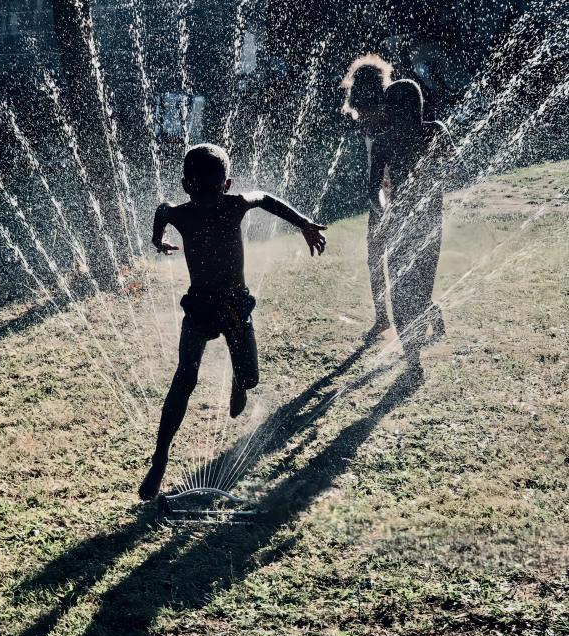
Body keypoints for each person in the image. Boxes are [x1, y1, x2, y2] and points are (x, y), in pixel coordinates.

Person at [139, 143, 327, 500]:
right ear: (185, 186)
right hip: (199, 307)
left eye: (213, 191)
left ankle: (239, 382)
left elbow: (266, 198)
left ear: (226, 186)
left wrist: (303, 224)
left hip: (235, 306)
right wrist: (156, 238)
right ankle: (159, 461)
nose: (208, 200)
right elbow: (161, 211)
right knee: (184, 378)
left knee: (251, 377)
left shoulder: (235, 205)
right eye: (199, 191)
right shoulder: (181, 213)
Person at [368, 79, 467, 379]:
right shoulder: (383, 140)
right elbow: (373, 189)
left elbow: (459, 171)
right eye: (394, 112)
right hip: (398, 225)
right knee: (399, 290)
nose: (399, 117)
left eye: (406, 110)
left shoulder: (434, 130)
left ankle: (431, 314)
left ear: (416, 109)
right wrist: (383, 209)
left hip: (429, 224)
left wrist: (435, 173)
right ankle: (413, 361)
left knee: (421, 291)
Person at [341, 54, 393, 336]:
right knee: (374, 258)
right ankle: (382, 316)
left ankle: (421, 309)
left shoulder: (393, 117)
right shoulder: (368, 117)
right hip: (379, 198)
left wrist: (384, 205)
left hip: (397, 197)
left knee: (396, 259)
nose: (361, 117)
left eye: (364, 109)